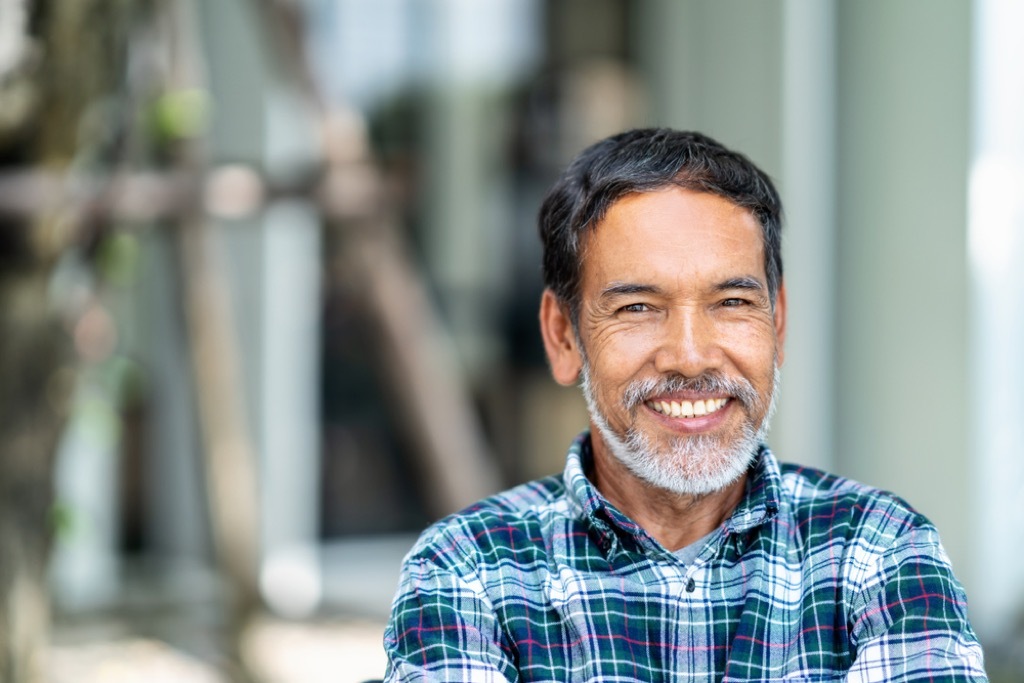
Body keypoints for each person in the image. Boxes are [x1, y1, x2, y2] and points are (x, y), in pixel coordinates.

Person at [383, 129, 987, 681]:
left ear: (777, 325)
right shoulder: (469, 571)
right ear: (564, 337)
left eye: (731, 303)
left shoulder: (878, 549)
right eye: (638, 308)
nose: (692, 357)